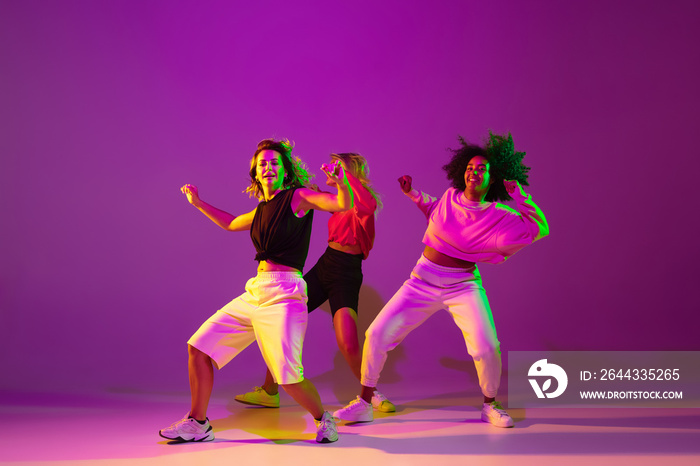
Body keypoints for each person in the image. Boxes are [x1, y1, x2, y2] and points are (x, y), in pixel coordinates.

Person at [333, 132, 549, 426]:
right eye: (470, 167)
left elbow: (538, 228)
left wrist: (521, 196)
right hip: (422, 280)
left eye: (482, 169)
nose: (474, 172)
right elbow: (434, 209)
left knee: (487, 346)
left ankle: (490, 405)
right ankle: (363, 402)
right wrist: (412, 193)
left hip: (463, 285)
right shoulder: (449, 197)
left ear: (492, 178)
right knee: (376, 334)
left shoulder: (498, 213)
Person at [159, 138, 352, 444]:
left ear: (285, 171)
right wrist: (198, 203)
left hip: (285, 295)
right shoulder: (262, 209)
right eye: (263, 163)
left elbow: (342, 204)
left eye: (275, 163)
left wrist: (342, 183)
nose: (268, 167)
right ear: (256, 173)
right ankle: (198, 423)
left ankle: (323, 418)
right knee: (198, 348)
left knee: (288, 377)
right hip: (256, 291)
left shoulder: (298, 197)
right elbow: (232, 222)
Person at [234, 153, 395, 413]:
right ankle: (269, 391)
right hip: (325, 265)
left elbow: (363, 205)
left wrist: (344, 179)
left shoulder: (364, 202)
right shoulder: (340, 202)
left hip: (347, 273)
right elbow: (326, 202)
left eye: (338, 168)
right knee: (278, 322)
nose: (332, 171)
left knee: (348, 342)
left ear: (350, 172)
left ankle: (371, 393)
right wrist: (314, 191)